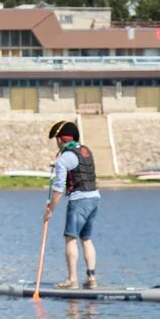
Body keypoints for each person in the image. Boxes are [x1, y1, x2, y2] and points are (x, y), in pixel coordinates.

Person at [43, 119, 100, 289]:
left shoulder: (63, 159)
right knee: (86, 238)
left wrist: (50, 210)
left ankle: (72, 279)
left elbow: (59, 188)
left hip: (79, 200)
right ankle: (91, 278)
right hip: (95, 198)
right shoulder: (86, 151)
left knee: (70, 238)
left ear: (60, 139)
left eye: (57, 140)